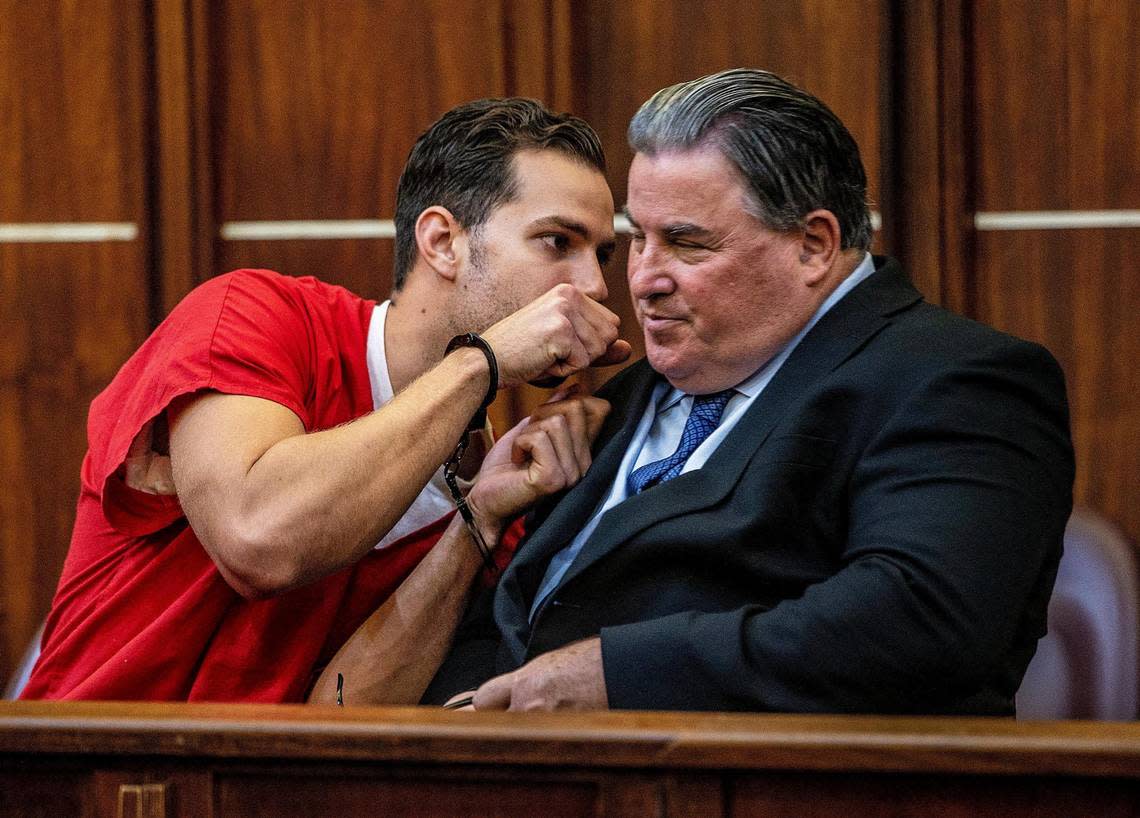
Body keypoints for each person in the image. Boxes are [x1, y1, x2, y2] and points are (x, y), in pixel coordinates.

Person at [410, 68, 1075, 714]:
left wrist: (615, 676)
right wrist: (465, 723)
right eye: (639, 239)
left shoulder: (958, 379)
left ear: (813, 245)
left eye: (685, 243)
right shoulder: (612, 401)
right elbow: (511, 620)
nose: (641, 279)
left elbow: (923, 620)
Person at [21, 98, 629, 702]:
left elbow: (341, 710)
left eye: (600, 255)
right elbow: (258, 540)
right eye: (556, 242)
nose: (595, 286)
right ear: (443, 241)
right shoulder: (254, 313)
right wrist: (480, 361)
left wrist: (479, 523)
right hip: (91, 774)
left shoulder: (509, 476)